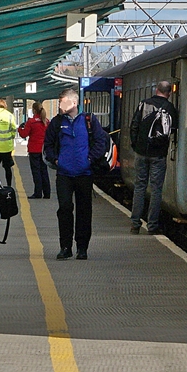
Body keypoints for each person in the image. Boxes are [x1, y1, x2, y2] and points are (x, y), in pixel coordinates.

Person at [43, 88, 108, 261]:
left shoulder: (89, 121)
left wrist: (90, 159)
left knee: (84, 210)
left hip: (84, 173)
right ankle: (65, 246)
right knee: (64, 209)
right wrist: (56, 160)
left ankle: (82, 247)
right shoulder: (57, 123)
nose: (59, 105)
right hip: (64, 173)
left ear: (74, 102)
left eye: (62, 101)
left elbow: (101, 141)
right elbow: (48, 144)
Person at [128, 80, 177, 235]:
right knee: (156, 190)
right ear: (169, 93)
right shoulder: (170, 108)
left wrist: (136, 145)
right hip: (159, 155)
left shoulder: (143, 104)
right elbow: (173, 130)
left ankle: (135, 224)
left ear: (156, 90)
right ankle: (152, 225)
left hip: (141, 153)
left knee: (140, 187)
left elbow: (134, 126)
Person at [18, 101, 51, 199]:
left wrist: (20, 129)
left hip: (34, 150)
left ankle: (38, 192)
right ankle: (47, 193)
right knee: (44, 171)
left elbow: (24, 134)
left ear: (34, 110)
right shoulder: (47, 121)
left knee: (36, 171)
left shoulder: (31, 122)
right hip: (43, 150)